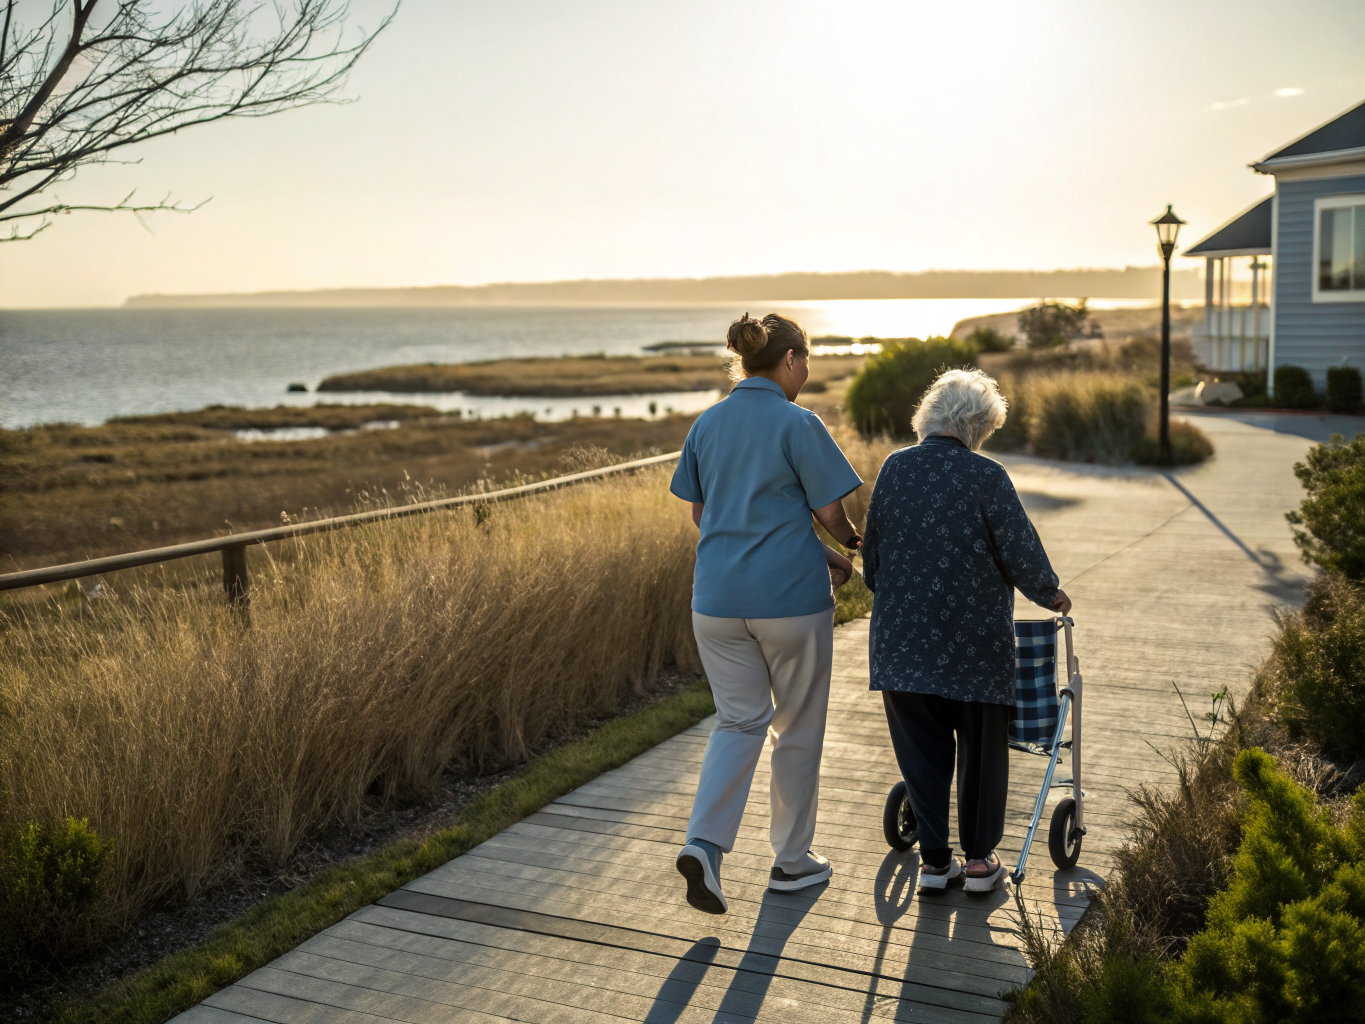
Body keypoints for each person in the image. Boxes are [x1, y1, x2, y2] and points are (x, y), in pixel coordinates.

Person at [669, 312, 863, 915]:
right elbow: (831, 511)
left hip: (717, 604)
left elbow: (707, 518)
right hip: (789, 605)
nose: (807, 371)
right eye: (805, 360)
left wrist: (823, 554)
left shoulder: (707, 424)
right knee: (796, 726)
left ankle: (705, 846)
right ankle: (792, 861)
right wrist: (852, 545)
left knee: (738, 721)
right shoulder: (798, 422)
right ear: (787, 361)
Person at [860, 368, 1071, 894]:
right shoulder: (987, 475)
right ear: (978, 425)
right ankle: (979, 863)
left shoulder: (893, 468)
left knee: (921, 756)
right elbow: (1020, 552)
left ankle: (934, 865)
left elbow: (874, 560)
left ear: (929, 417)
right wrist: (1050, 593)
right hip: (973, 645)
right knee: (981, 754)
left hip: (901, 646)